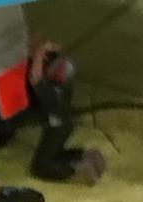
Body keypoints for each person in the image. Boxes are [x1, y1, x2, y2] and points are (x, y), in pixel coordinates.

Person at [26, 43, 105, 185]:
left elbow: (34, 78)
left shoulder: (50, 90)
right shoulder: (64, 85)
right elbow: (58, 64)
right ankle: (83, 156)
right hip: (65, 122)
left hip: (56, 127)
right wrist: (40, 52)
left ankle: (76, 169)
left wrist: (39, 52)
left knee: (40, 167)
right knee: (54, 152)